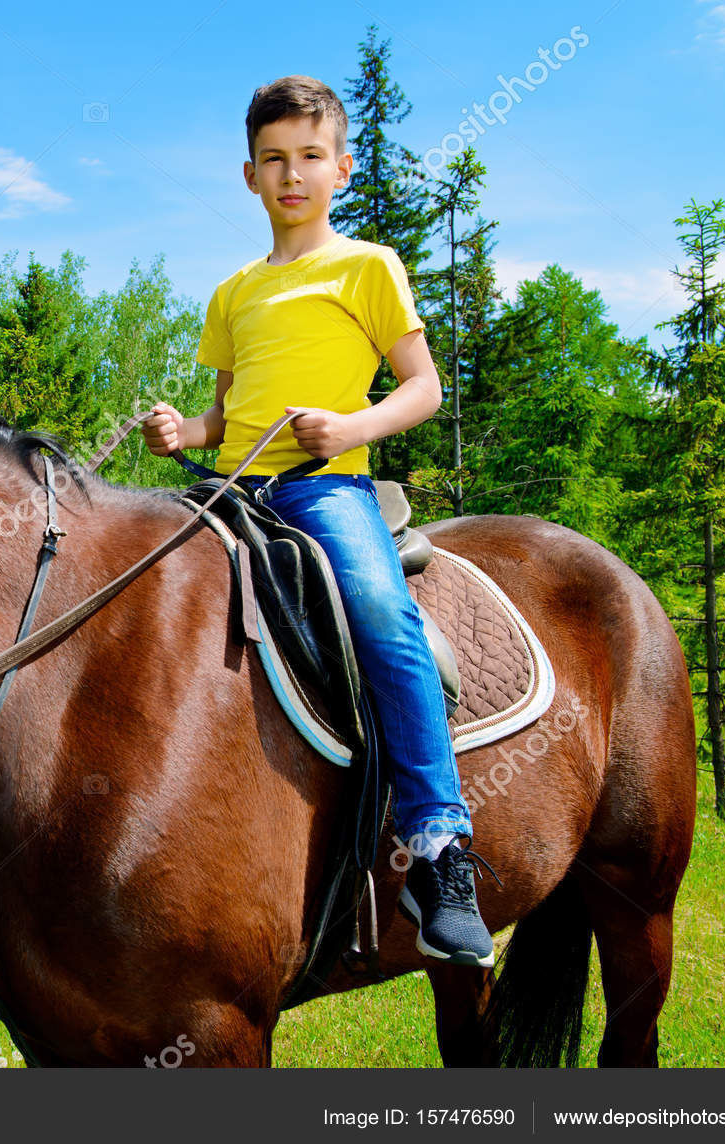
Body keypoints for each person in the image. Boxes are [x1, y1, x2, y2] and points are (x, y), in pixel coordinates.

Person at [143, 74, 496, 966]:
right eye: (273, 159)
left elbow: (424, 389)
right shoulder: (232, 293)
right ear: (250, 176)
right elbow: (223, 415)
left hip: (321, 485)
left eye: (309, 157)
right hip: (227, 490)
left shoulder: (368, 266)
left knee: (382, 614)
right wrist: (182, 432)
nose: (291, 173)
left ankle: (440, 848)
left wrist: (352, 427)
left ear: (341, 169)